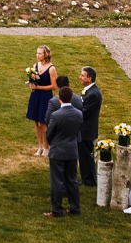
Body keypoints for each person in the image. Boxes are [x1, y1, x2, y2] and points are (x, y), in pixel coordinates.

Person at [46, 87, 83, 216]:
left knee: (57, 181)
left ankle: (57, 210)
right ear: (71, 98)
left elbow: (49, 134)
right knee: (72, 180)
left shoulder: (56, 115)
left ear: (59, 98)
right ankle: (75, 208)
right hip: (72, 150)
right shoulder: (79, 113)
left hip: (58, 151)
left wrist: (53, 143)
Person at [27, 45, 57, 157]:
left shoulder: (51, 68)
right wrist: (32, 83)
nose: (37, 55)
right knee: (36, 121)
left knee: (43, 122)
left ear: (45, 55)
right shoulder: (35, 66)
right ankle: (39, 146)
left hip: (45, 96)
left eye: (40, 53)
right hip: (36, 96)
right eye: (37, 53)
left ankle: (47, 147)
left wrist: (38, 87)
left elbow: (54, 86)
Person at [78, 66, 103, 187]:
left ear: (90, 78)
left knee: (86, 157)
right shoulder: (89, 90)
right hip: (85, 130)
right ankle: (85, 179)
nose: (80, 77)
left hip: (87, 130)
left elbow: (85, 111)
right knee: (83, 156)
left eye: (83, 75)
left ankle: (89, 181)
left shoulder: (93, 94)